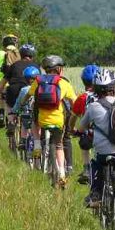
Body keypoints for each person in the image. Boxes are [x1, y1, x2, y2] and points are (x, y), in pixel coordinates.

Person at [78, 68, 115, 209]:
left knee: (96, 164)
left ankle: (96, 193)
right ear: (114, 87)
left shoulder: (93, 106)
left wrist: (79, 131)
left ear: (96, 88)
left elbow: (81, 127)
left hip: (103, 152)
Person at [25, 55, 77, 187]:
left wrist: (21, 104)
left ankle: (37, 145)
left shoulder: (38, 81)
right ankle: (62, 175)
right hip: (58, 121)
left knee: (34, 121)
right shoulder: (64, 83)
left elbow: (28, 95)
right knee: (59, 145)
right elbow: (74, 103)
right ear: (59, 69)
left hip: (41, 121)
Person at [0, 44, 38, 142]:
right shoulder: (36, 66)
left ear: (21, 54)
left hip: (14, 89)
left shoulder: (14, 65)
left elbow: (3, 82)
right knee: (27, 110)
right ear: (33, 55)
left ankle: (11, 121)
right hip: (30, 90)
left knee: (8, 103)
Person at [71, 64, 100, 184]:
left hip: (89, 133)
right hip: (105, 134)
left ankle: (87, 168)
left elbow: (73, 116)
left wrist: (71, 129)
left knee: (84, 143)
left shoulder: (82, 98)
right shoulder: (105, 95)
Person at [13, 64, 41, 155]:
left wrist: (15, 111)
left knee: (24, 125)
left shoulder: (24, 90)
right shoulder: (41, 88)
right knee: (38, 128)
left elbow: (19, 102)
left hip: (27, 114)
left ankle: (22, 140)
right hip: (39, 114)